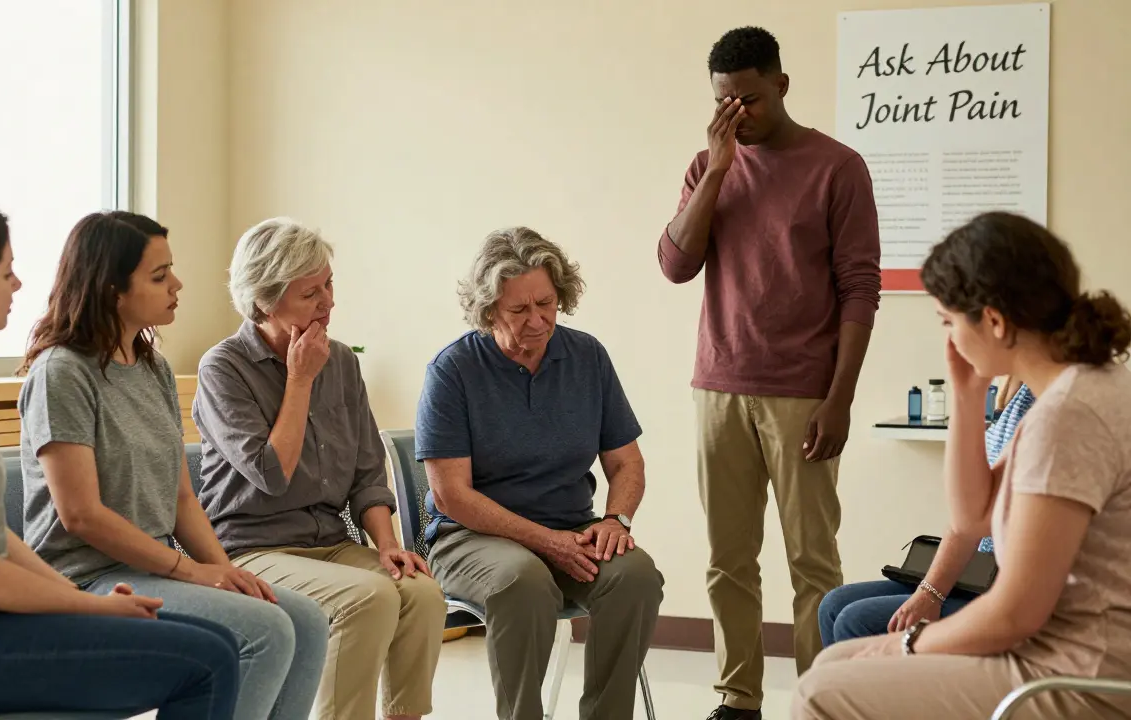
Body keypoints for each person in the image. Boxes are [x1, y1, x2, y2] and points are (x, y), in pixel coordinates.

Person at [0, 194, 240, 719]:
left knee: (198, 641)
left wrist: (71, 598)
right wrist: (93, 606)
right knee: (209, 659)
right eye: (6, 273)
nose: (18, 285)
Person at [792, 212, 1131, 719]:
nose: (948, 339)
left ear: (994, 321)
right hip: (1061, 653)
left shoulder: (1066, 417)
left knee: (819, 692)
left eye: (949, 322)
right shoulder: (1077, 390)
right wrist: (967, 397)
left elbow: (1015, 613)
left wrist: (908, 645)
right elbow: (972, 517)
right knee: (833, 665)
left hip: (1074, 674)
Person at [17, 211, 329, 720]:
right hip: (87, 579)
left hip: (155, 567)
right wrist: (195, 572)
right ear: (112, 289)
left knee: (307, 621)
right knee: (265, 631)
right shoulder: (61, 374)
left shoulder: (153, 367)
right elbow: (81, 516)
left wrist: (226, 573)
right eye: (159, 276)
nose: (177, 285)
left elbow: (183, 497)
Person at [655, 26, 882, 719]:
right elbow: (674, 264)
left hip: (803, 393)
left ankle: (820, 695)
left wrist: (838, 399)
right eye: (724, 102)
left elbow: (860, 287)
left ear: (781, 85)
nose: (737, 114)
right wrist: (719, 167)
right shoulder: (709, 165)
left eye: (749, 100)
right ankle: (738, 698)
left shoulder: (837, 167)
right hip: (717, 387)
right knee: (728, 559)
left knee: (813, 562)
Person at [192, 217, 447, 720]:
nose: (329, 303)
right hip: (251, 547)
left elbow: (368, 473)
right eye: (311, 293)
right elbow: (270, 472)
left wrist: (390, 547)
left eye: (329, 284)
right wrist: (299, 380)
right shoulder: (222, 368)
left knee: (421, 591)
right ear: (265, 300)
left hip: (328, 541)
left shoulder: (342, 363)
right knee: (368, 598)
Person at [416, 227, 664, 720]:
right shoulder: (453, 371)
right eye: (519, 310)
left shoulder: (587, 356)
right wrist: (545, 541)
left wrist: (615, 521)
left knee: (635, 576)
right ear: (489, 311)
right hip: (472, 539)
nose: (538, 320)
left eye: (546, 303)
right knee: (521, 581)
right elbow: (451, 496)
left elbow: (625, 461)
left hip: (572, 531)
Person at [818, 381, 1035, 646]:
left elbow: (972, 514)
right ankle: (836, 686)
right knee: (832, 605)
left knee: (855, 619)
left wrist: (931, 594)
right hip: (980, 569)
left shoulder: (1047, 408)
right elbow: (967, 502)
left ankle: (865, 686)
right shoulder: (1019, 393)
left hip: (1006, 586)